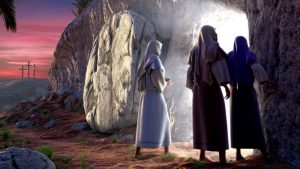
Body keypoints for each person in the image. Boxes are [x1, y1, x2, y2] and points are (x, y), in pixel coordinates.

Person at [186, 25, 230, 165]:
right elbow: (217, 67)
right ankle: (222, 159)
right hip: (211, 90)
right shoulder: (213, 47)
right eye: (214, 31)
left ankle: (202, 155)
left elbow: (189, 72)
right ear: (209, 33)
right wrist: (225, 85)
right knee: (218, 121)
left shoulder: (194, 51)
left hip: (198, 92)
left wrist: (193, 88)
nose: (216, 33)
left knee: (202, 122)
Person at [226, 36, 273, 161]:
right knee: (253, 120)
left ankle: (238, 154)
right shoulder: (248, 54)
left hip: (235, 93)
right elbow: (256, 68)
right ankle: (264, 153)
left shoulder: (230, 56)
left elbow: (223, 69)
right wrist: (265, 81)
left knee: (238, 122)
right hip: (247, 92)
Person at [135, 40, 172, 157]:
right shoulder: (155, 60)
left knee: (144, 123)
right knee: (164, 119)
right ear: (155, 48)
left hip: (145, 96)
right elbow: (158, 81)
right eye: (159, 48)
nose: (159, 51)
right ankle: (166, 150)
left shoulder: (145, 60)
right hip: (155, 95)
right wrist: (166, 83)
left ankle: (138, 152)